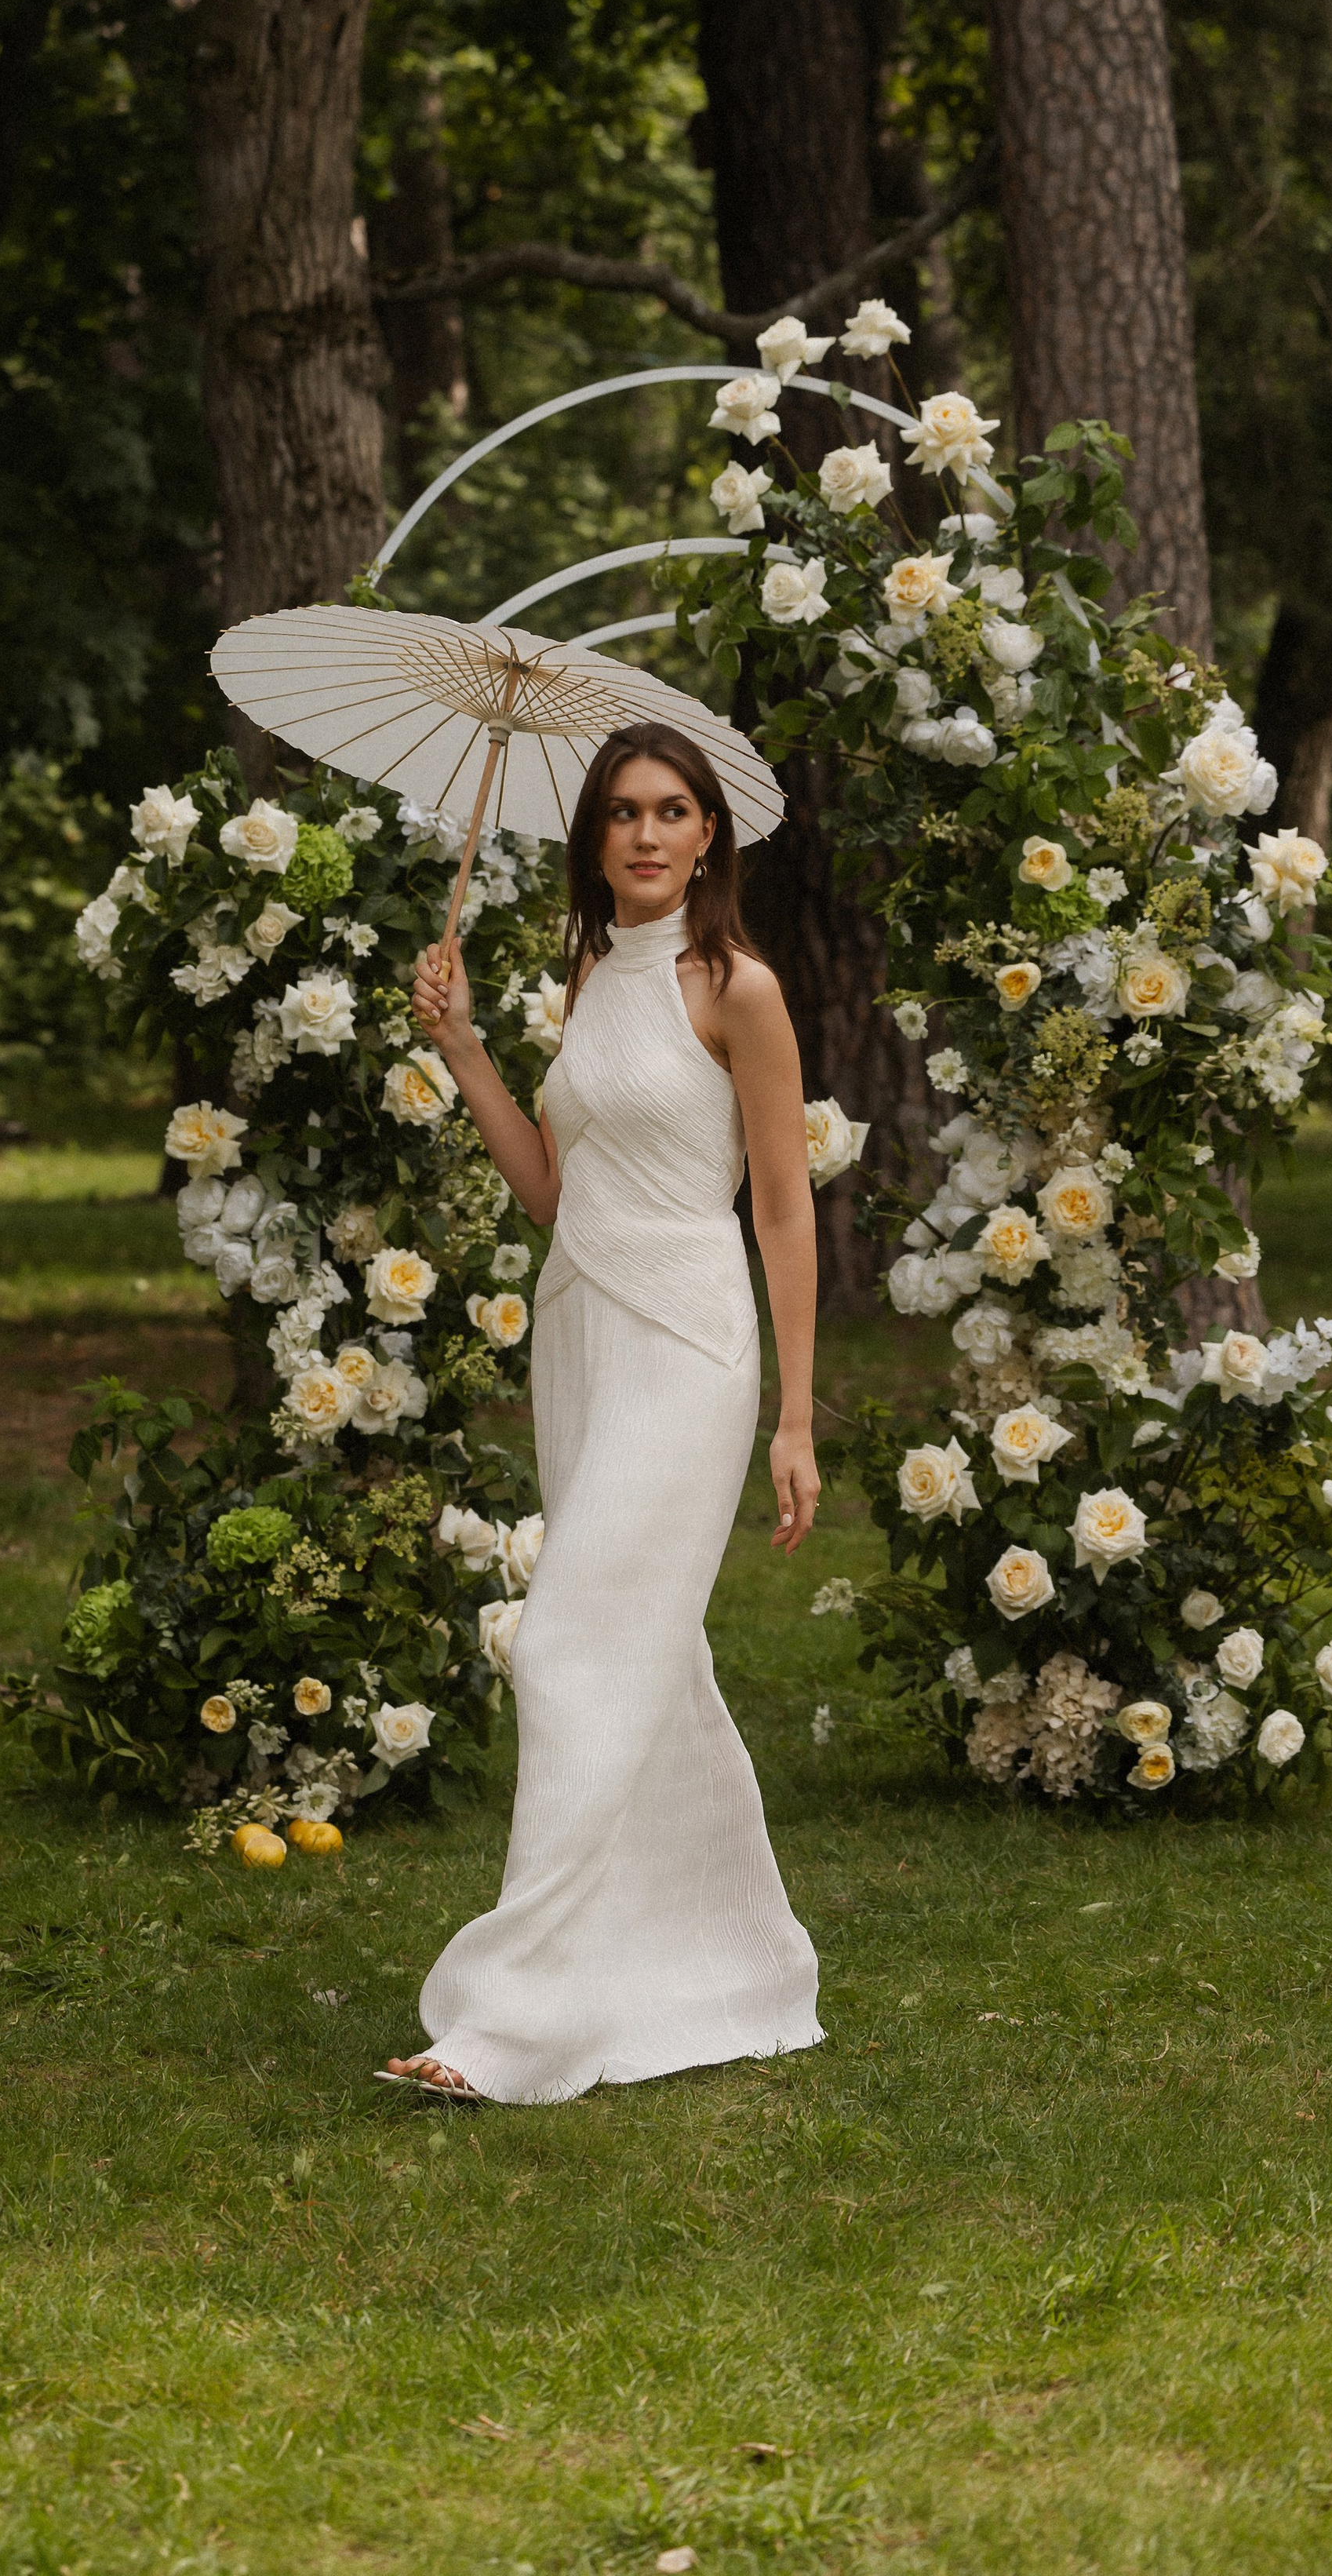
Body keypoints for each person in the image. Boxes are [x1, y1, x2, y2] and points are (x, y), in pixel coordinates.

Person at [377, 722, 825, 2104]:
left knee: (569, 1642)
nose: (644, 835)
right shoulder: (591, 969)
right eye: (623, 813)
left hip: (689, 1343)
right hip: (580, 1328)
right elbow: (555, 1191)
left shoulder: (735, 987)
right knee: (645, 1658)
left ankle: (509, 2021)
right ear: (595, 839)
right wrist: (459, 1046)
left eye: (671, 811)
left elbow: (782, 1204)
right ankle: (734, 1971)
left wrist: (796, 1418)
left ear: (709, 838)